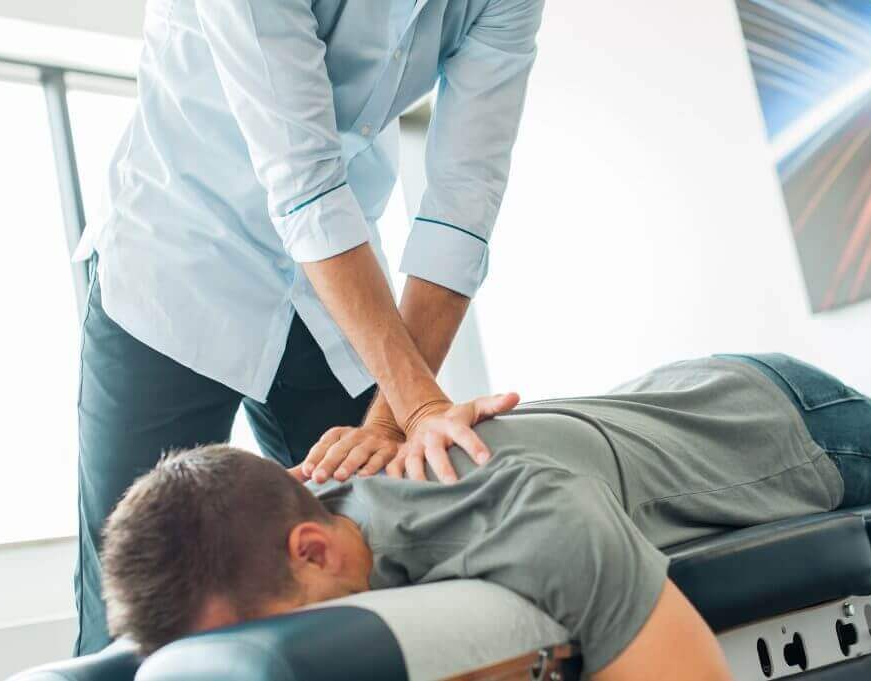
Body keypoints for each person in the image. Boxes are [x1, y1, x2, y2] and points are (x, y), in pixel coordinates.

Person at [72, 0, 544, 654]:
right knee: (137, 612)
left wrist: (394, 419)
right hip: (177, 265)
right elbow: (304, 182)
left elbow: (462, 207)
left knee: (381, 548)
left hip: (333, 291)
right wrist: (419, 403)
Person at [99, 354, 871, 679]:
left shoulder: (522, 513)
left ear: (313, 548)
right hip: (644, 411)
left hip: (777, 426)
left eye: (265, 633)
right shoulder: (295, 513)